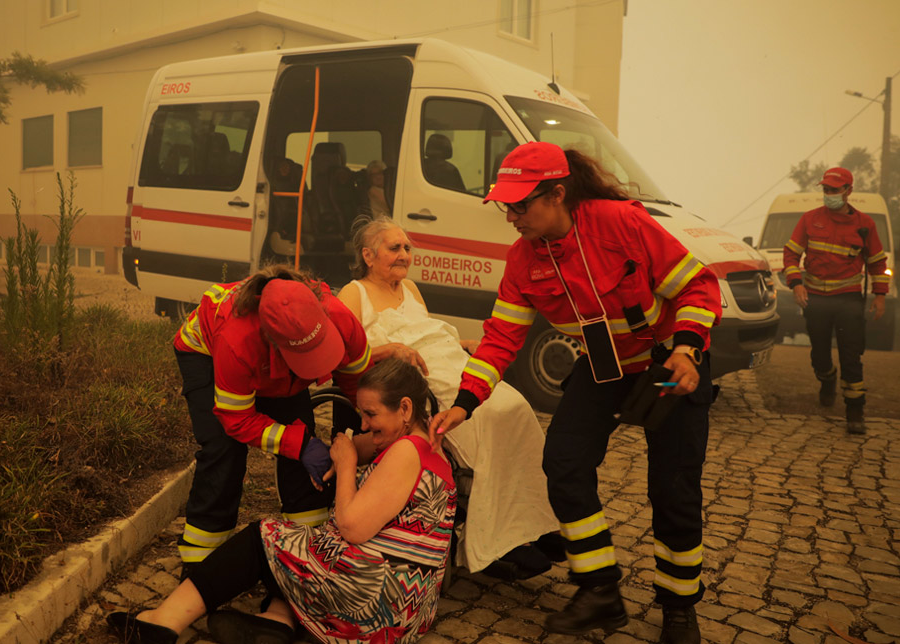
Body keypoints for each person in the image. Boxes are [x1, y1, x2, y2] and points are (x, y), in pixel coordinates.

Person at [430, 143, 721, 644]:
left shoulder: (621, 224)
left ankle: (678, 607)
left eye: (522, 205)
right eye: (507, 207)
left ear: (558, 194)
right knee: (562, 464)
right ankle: (599, 591)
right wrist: (465, 403)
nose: (513, 217)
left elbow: (699, 286)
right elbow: (500, 338)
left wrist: (689, 350)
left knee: (673, 490)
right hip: (602, 367)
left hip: (668, 362)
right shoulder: (523, 260)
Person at [106, 358, 456, 644]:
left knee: (265, 537)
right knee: (302, 548)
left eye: (370, 414)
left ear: (405, 408)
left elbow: (352, 526)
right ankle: (277, 622)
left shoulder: (406, 453)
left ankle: (161, 623)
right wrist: (348, 448)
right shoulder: (420, 447)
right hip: (405, 614)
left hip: (372, 606)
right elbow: (361, 446)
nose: (363, 424)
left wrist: (347, 465)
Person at [336, 215, 564, 579]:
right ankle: (497, 539)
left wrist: (462, 344)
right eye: (394, 247)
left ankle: (530, 523)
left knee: (515, 407)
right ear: (368, 254)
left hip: (445, 359)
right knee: (486, 416)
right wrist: (387, 349)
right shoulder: (354, 292)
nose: (404, 254)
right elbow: (343, 354)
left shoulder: (410, 288)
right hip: (408, 378)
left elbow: (425, 331)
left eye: (407, 247)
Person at [171, 265, 372, 579]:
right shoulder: (238, 340)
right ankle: (201, 566)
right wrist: (299, 444)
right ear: (273, 342)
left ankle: (306, 552)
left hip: (273, 365)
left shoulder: (341, 317)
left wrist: (362, 434)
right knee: (224, 451)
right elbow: (236, 419)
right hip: (205, 354)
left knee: (302, 438)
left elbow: (358, 383)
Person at [782, 166, 888, 435]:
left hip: (849, 299)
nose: (828, 194)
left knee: (851, 356)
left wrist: (880, 297)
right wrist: (796, 285)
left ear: (848, 191)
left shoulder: (865, 225)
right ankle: (826, 379)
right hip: (816, 298)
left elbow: (877, 262)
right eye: (825, 189)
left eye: (834, 190)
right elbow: (791, 255)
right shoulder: (809, 219)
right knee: (819, 355)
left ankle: (855, 412)